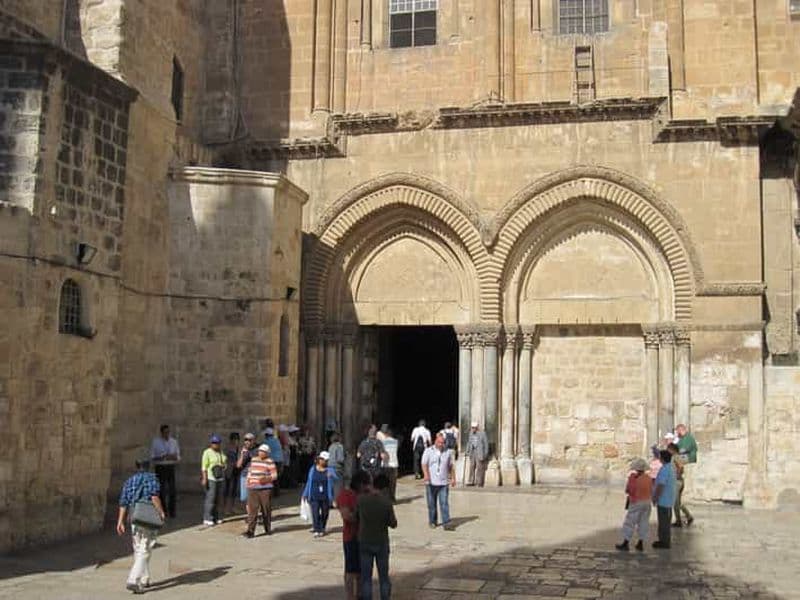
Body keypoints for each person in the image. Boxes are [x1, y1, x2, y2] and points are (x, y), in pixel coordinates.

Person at [117, 456, 166, 594]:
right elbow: (154, 496)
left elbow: (123, 502)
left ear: (136, 466)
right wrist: (161, 512)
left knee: (138, 548)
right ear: (148, 465)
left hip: (134, 518)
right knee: (145, 549)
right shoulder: (151, 478)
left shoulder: (129, 481)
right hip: (147, 517)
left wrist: (120, 521)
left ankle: (145, 578)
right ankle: (133, 579)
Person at [356, 471, 397, 600]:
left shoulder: (361, 500)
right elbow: (393, 523)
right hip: (381, 541)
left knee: (366, 577)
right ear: (385, 488)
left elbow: (355, 516)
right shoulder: (386, 503)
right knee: (383, 576)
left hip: (365, 540)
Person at [337, 470, 372, 600]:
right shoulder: (346, 495)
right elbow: (347, 516)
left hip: (364, 537)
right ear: (361, 484)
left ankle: (360, 594)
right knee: (351, 570)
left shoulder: (366, 496)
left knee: (361, 569)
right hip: (351, 537)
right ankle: (350, 596)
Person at [615, 457, 652, 552]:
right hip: (647, 502)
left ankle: (626, 542)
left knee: (630, 522)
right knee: (643, 522)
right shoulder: (648, 478)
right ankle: (640, 542)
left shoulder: (633, 478)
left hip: (636, 502)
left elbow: (628, 490)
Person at [422, 433, 456, 530]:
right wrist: (426, 475)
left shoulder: (448, 452)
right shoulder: (428, 451)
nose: (441, 444)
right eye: (439, 442)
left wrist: (453, 478)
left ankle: (446, 523)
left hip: (443, 482)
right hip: (431, 482)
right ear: (435, 441)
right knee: (432, 504)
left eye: (443, 442)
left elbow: (450, 466)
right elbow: (424, 464)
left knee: (444, 503)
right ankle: (433, 521)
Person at [243, 444, 277, 538]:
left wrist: (266, 479)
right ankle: (250, 530)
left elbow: (274, 475)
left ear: (267, 453)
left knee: (266, 508)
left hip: (265, 488)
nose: (261, 453)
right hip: (253, 487)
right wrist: (248, 482)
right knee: (252, 510)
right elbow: (250, 471)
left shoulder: (270, 462)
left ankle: (267, 528)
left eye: (263, 451)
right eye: (260, 451)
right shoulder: (254, 460)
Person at [302, 451, 339, 537]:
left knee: (325, 513)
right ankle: (316, 528)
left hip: (325, 495)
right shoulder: (312, 469)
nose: (324, 462)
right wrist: (305, 493)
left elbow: (337, 479)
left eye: (326, 460)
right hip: (314, 494)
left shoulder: (330, 470)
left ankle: (322, 527)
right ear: (319, 460)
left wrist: (331, 476)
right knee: (315, 512)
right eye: (323, 460)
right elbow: (309, 482)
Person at [149, 424, 180, 519]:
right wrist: (161, 457)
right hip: (160, 467)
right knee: (161, 490)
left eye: (168, 432)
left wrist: (173, 457)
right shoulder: (156, 442)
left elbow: (178, 456)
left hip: (170, 466)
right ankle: (163, 511)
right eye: (165, 432)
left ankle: (172, 511)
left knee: (172, 490)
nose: (167, 434)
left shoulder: (173, 442)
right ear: (161, 433)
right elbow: (152, 457)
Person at [652, 449, 677, 549]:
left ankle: (664, 542)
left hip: (664, 500)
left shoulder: (664, 469)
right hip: (668, 499)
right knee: (665, 521)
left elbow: (660, 485)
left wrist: (655, 497)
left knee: (664, 522)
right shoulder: (670, 468)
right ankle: (663, 540)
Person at [674, 423, 697, 527]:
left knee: (676, 502)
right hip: (680, 473)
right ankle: (688, 516)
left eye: (678, 431)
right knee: (678, 502)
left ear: (681, 429)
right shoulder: (681, 438)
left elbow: (683, 450)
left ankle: (679, 521)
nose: (677, 433)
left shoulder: (688, 438)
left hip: (688, 460)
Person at [201, 434, 227, 526]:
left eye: (217, 443)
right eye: (214, 443)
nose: (215, 445)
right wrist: (204, 478)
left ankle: (217, 516)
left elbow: (225, 462)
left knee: (219, 498)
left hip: (220, 477)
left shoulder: (221, 452)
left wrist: (223, 466)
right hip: (211, 478)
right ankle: (208, 517)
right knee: (210, 498)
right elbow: (204, 467)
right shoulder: (207, 452)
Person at [237, 433, 257, 516]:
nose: (247, 442)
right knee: (245, 498)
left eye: (249, 440)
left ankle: (253, 515)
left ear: (254, 441)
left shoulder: (257, 450)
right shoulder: (243, 451)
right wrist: (242, 454)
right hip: (245, 476)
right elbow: (238, 465)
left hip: (255, 476)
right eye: (245, 440)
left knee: (254, 497)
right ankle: (250, 516)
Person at [464, 422, 489, 487]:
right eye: (472, 427)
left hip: (479, 453)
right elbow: (469, 443)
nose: (473, 429)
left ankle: (479, 482)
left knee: (479, 468)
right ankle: (471, 481)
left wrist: (485, 454)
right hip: (473, 452)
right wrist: (467, 451)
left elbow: (486, 444)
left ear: (477, 427)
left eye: (474, 427)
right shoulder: (471, 434)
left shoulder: (482, 434)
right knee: (472, 467)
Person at [223, 432, 241, 517]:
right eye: (234, 439)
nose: (236, 441)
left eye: (237, 439)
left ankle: (232, 507)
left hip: (236, 470)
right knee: (227, 489)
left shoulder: (239, 448)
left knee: (234, 489)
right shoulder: (228, 448)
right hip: (229, 470)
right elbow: (225, 459)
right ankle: (226, 508)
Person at [264, 427, 284, 496]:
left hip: (272, 461)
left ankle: (272, 493)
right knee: (276, 477)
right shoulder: (277, 440)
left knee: (271, 477)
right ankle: (276, 492)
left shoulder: (266, 441)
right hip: (279, 460)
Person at [381, 429, 399, 502]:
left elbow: (382, 452)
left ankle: (386, 498)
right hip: (394, 464)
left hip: (386, 464)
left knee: (385, 482)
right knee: (393, 482)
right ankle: (392, 498)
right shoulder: (396, 442)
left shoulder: (383, 442)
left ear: (385, 434)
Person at [328, 432, 346, 501]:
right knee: (338, 486)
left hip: (329, 468)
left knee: (330, 486)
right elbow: (340, 459)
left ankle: (330, 501)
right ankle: (336, 501)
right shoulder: (339, 446)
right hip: (337, 468)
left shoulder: (330, 446)